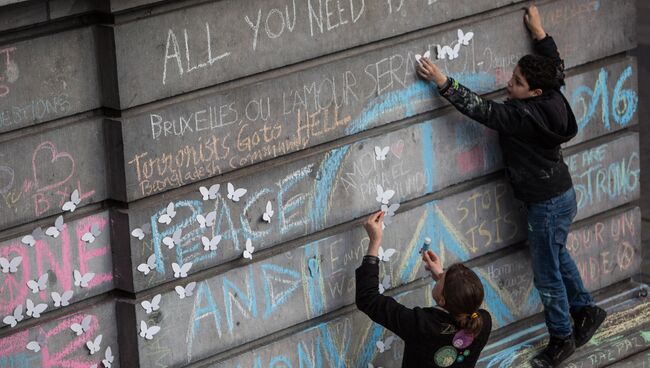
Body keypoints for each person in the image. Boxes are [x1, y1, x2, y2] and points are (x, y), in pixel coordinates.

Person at [415, 5, 606, 368]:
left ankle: (562, 337)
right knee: (557, 254)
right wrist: (539, 33)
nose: (509, 84)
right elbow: (555, 63)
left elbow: (482, 111)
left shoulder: (522, 117)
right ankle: (586, 309)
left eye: (517, 82)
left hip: (546, 204)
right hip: (562, 194)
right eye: (514, 75)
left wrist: (442, 80)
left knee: (547, 272)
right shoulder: (553, 94)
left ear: (534, 92)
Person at [356, 211, 492, 367]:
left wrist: (375, 241)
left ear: (442, 300)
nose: (439, 276)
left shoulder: (422, 326)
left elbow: (367, 298)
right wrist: (442, 276)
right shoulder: (482, 323)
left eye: (441, 279)